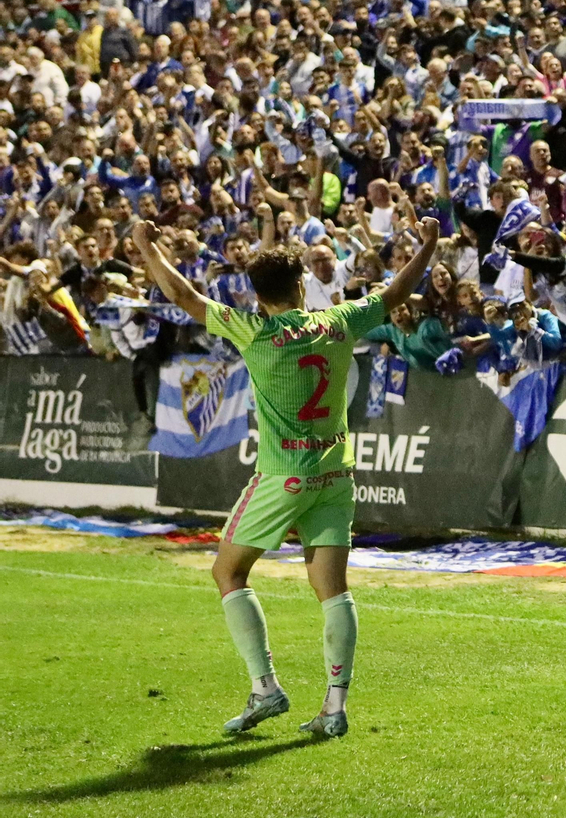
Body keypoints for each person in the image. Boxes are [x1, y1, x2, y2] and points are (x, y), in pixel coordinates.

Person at [128, 216, 441, 737]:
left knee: (227, 573)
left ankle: (264, 687)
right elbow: (395, 292)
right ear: (301, 286)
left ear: (255, 295)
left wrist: (147, 247)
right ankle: (334, 708)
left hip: (283, 475)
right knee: (333, 591)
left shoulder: (252, 330)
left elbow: (183, 296)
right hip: (335, 472)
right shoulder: (338, 321)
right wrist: (427, 246)